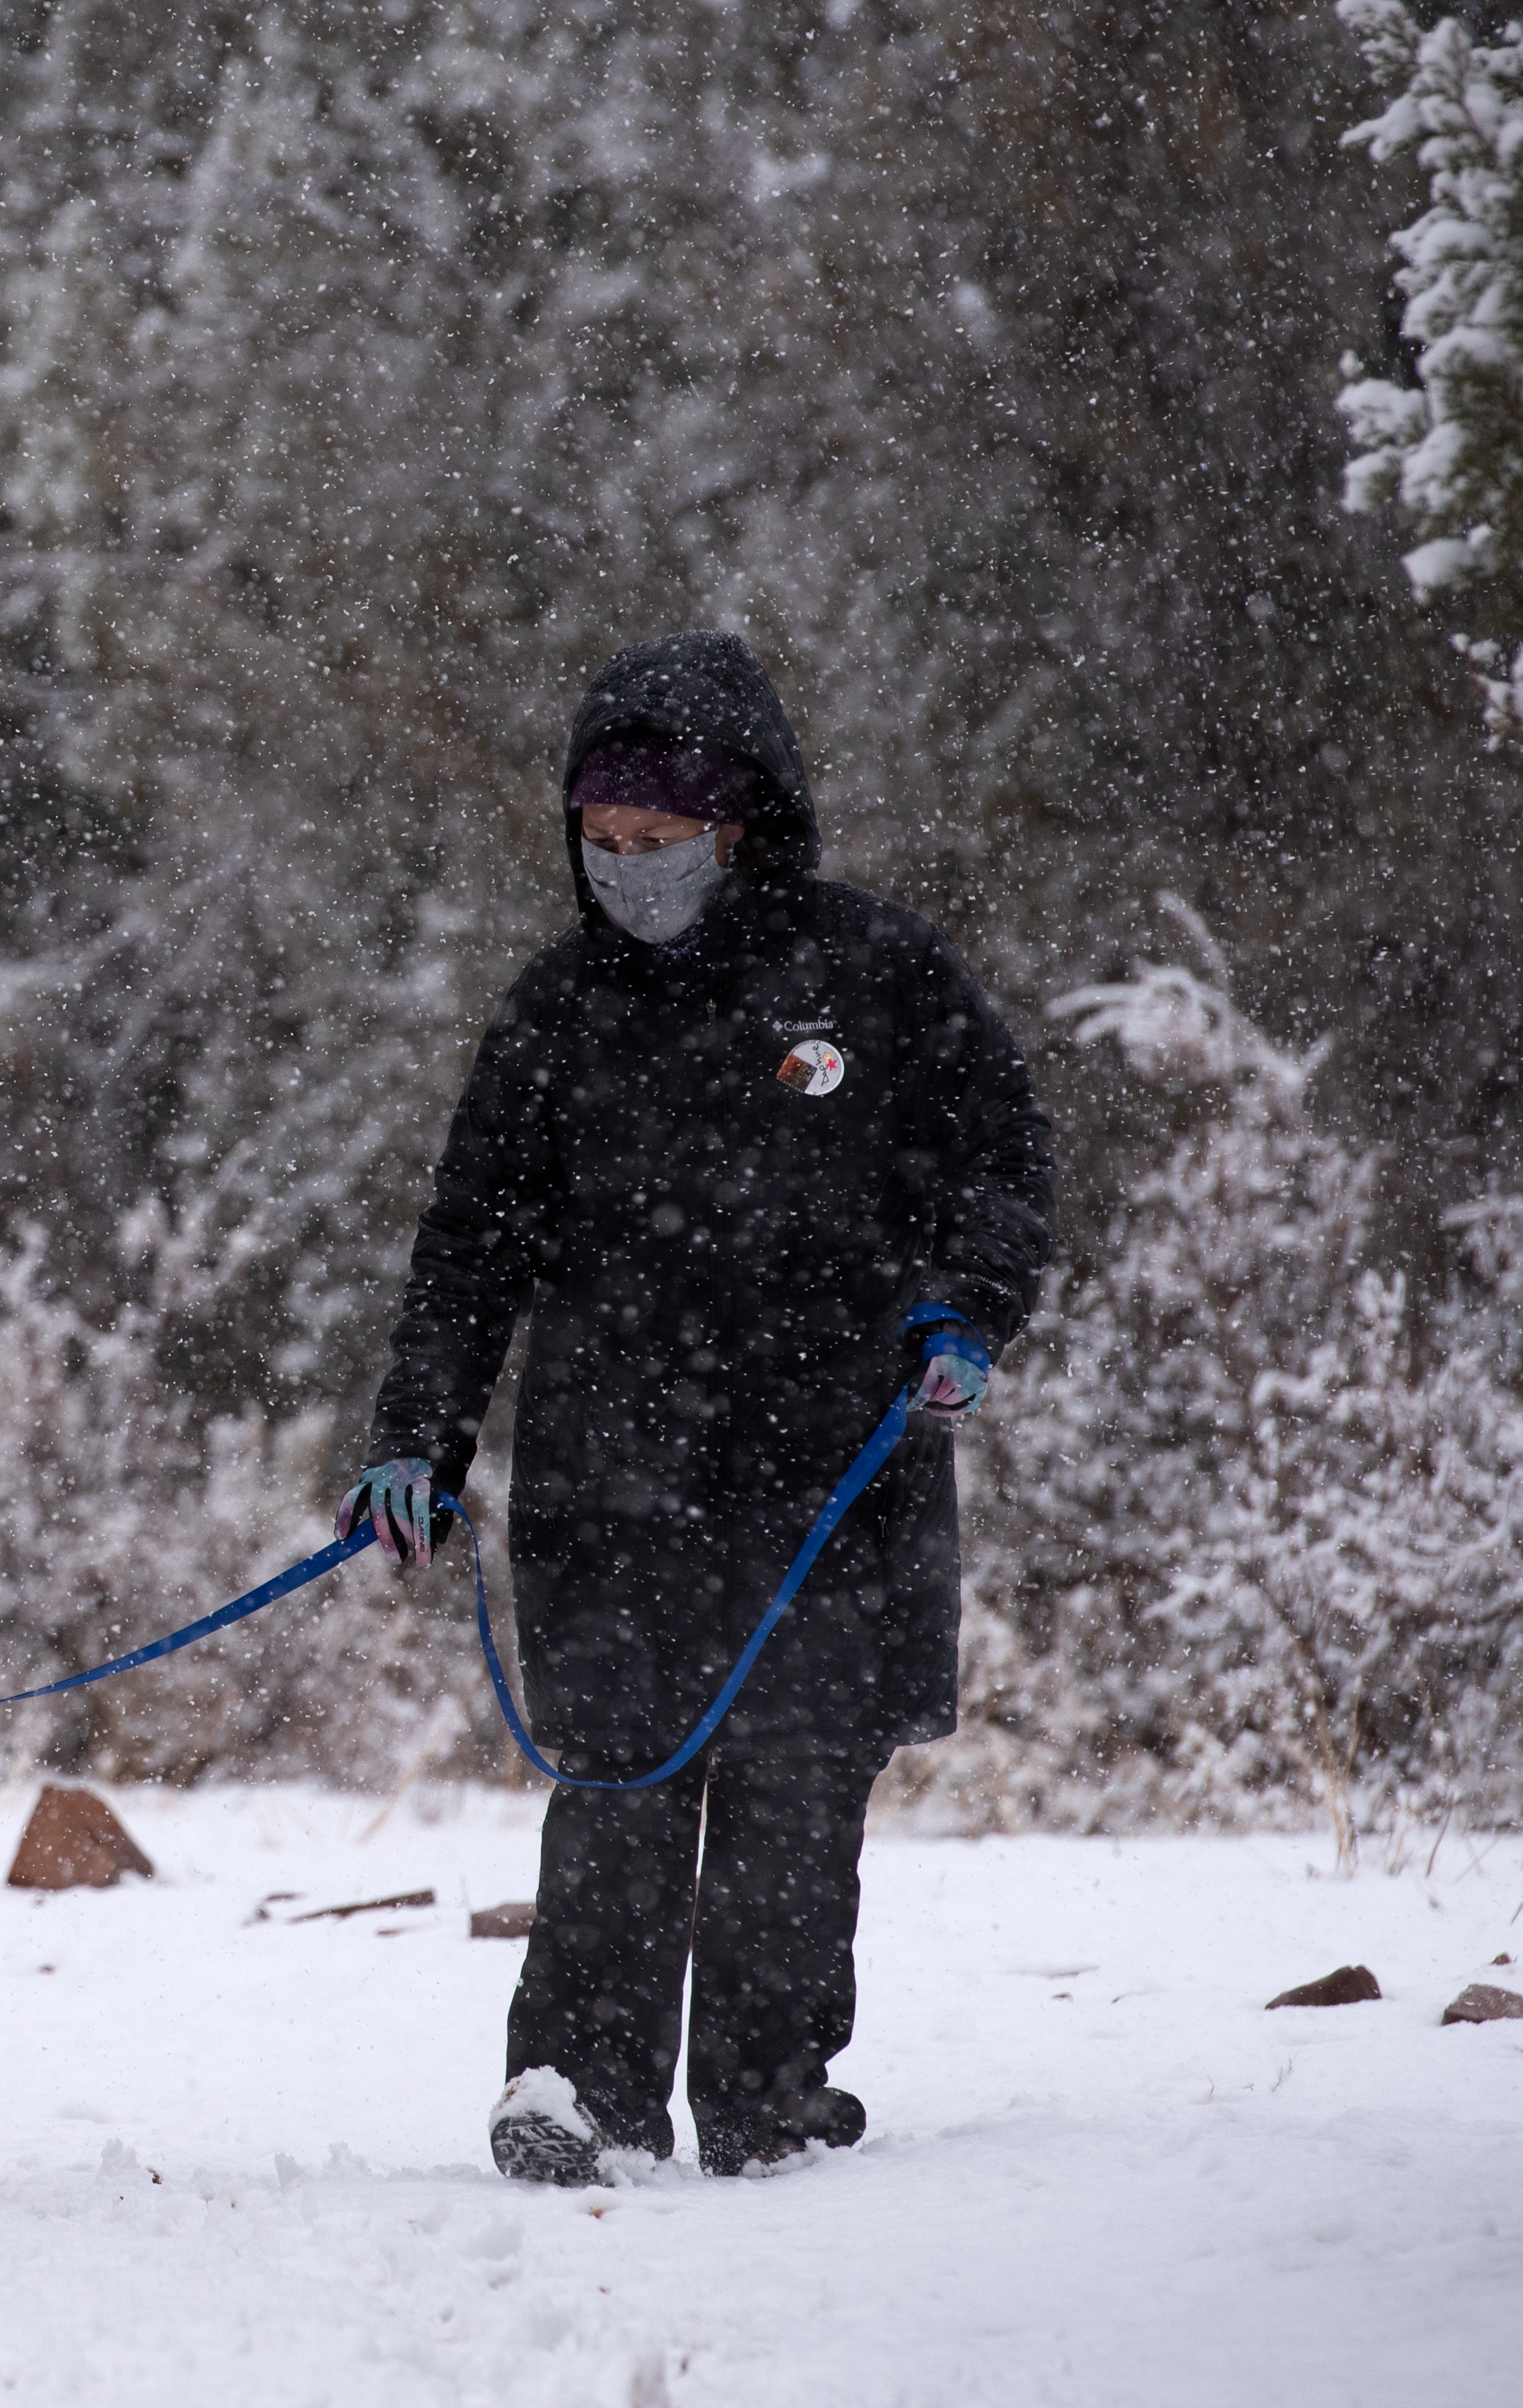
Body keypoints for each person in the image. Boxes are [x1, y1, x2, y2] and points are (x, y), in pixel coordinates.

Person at [342, 632, 1052, 2185]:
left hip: (830, 1479)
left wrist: (966, 1308)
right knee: (615, 1782)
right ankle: (574, 2088)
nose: (628, 873)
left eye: (658, 845)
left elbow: (995, 1168)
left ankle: (767, 2091)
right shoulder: (554, 1015)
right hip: (613, 1479)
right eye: (602, 846)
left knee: (796, 1794)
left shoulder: (876, 981)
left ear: (742, 828)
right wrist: (416, 1435)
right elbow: (469, 1244)